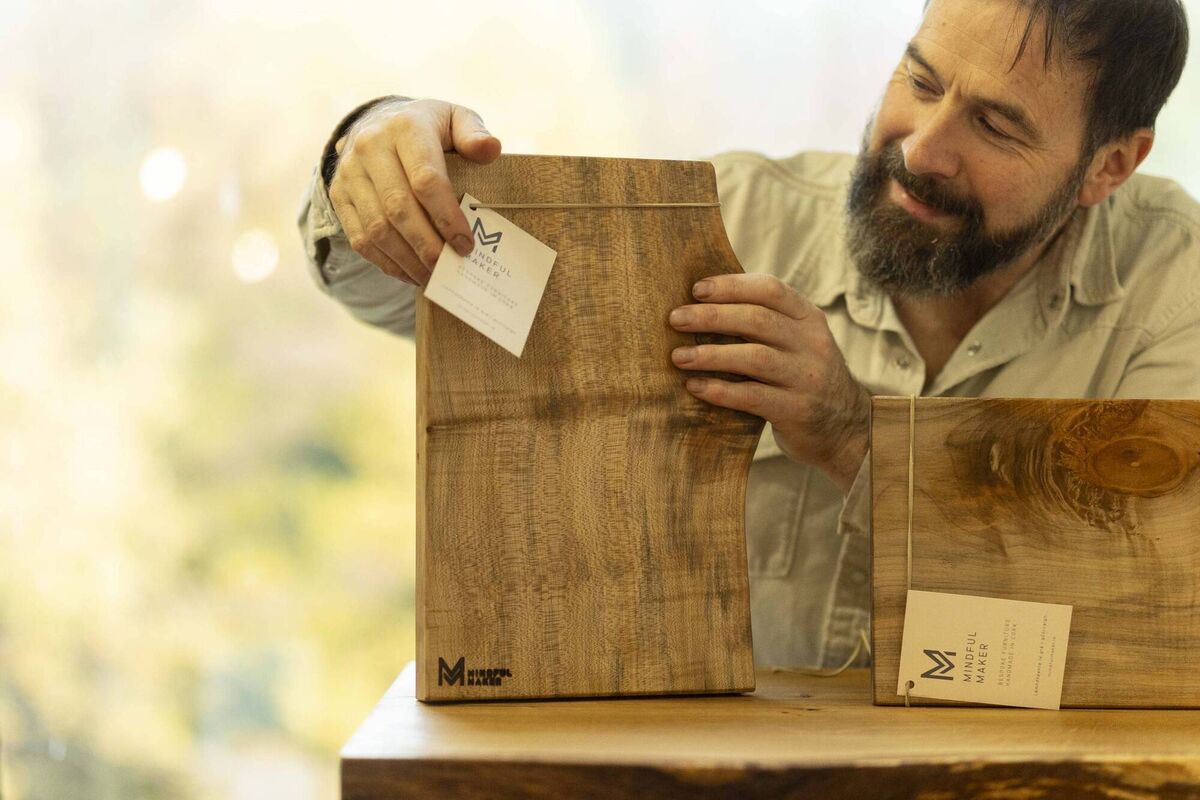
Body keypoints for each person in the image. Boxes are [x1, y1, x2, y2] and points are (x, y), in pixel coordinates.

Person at [299, 0, 1197, 670]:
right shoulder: (730, 221)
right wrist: (376, 149)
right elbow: (394, 294)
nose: (924, 147)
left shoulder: (1175, 298)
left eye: (995, 124)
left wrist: (855, 438)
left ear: (1110, 165)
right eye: (920, 81)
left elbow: (1151, 612)